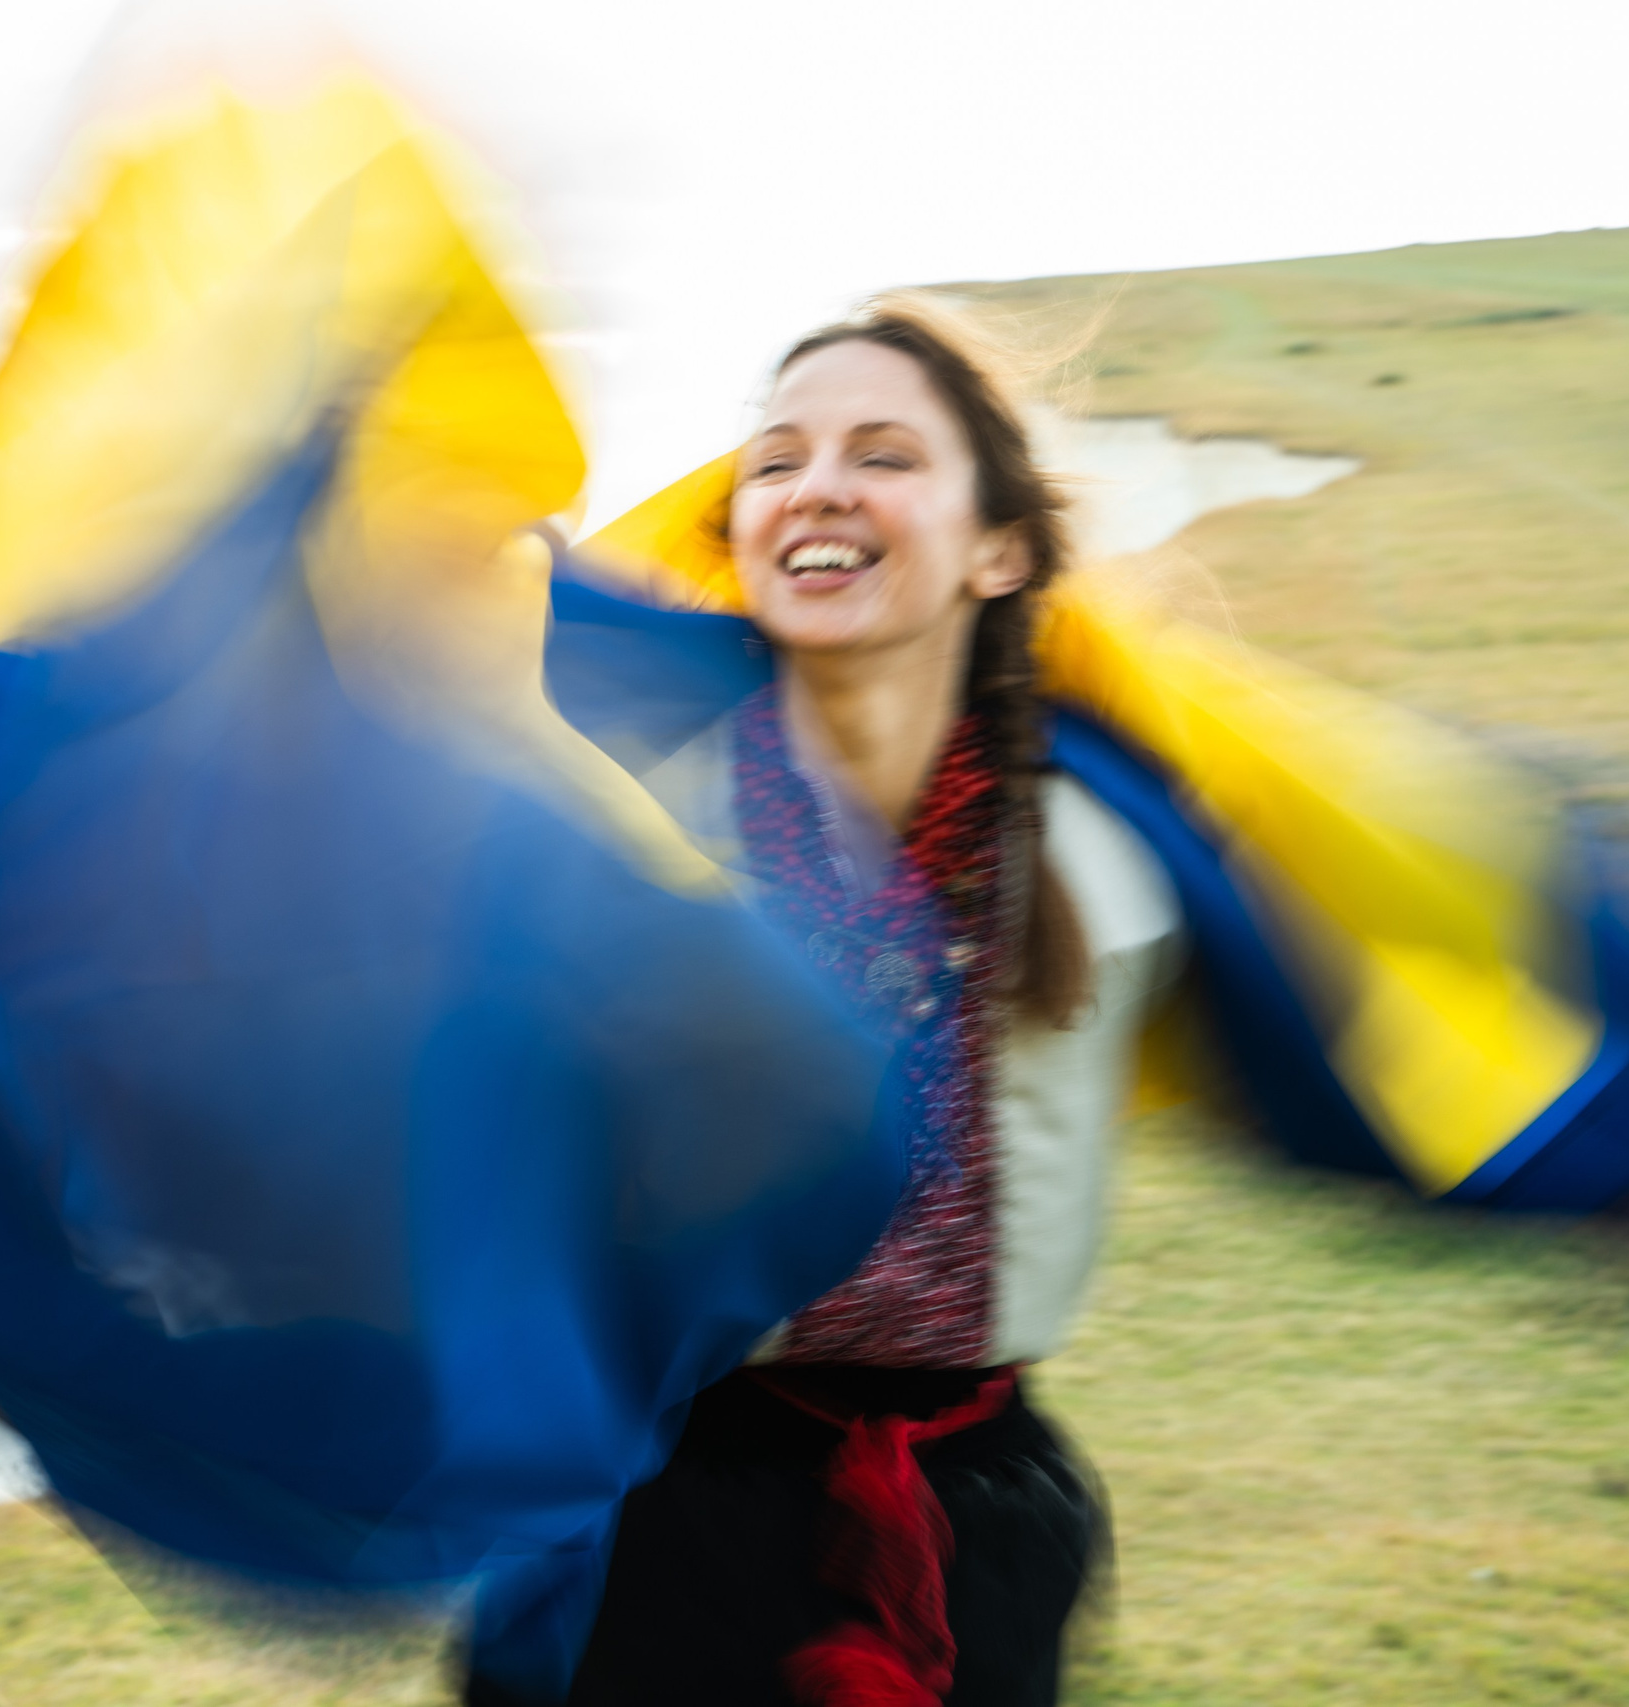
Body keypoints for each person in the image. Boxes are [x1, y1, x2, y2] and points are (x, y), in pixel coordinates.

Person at [468, 296, 1186, 1706]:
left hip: (977, 1513)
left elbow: (1366, 986)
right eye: (777, 458)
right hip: (655, 1514)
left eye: (884, 454)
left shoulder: (1111, 855)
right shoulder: (616, 835)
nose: (818, 487)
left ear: (1002, 548)